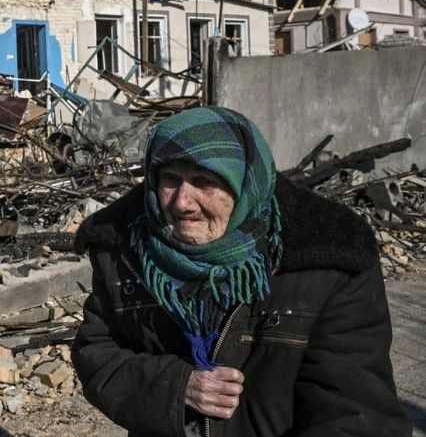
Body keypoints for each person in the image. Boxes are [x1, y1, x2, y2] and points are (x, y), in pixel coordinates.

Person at [71, 106, 411, 437]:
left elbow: (356, 413)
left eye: (204, 180)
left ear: (245, 182)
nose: (181, 202)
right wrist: (175, 388)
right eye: (170, 179)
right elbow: (98, 353)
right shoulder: (126, 251)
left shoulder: (329, 259)